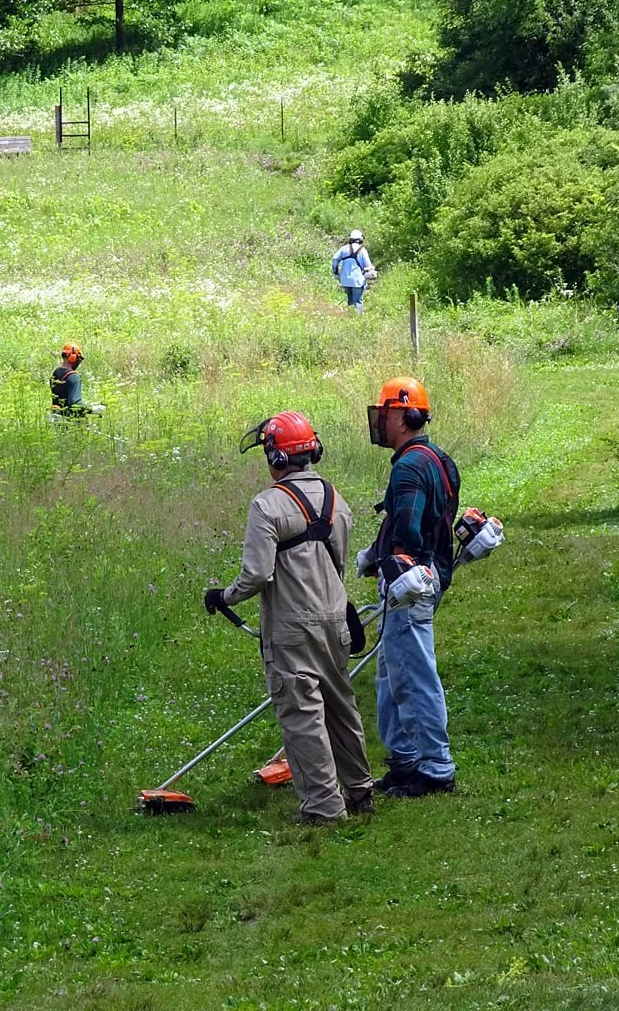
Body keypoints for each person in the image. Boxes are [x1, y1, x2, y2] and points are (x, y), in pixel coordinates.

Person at [203, 411, 375, 824]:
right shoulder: (336, 499)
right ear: (312, 451)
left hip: (291, 627)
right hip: (335, 618)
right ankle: (359, 790)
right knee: (340, 706)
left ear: (276, 458)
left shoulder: (267, 505)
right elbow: (336, 562)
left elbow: (258, 574)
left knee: (303, 716)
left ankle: (324, 808)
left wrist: (223, 596)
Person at [356, 377, 460, 798]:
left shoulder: (409, 467)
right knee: (390, 675)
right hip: (420, 579)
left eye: (383, 413)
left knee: (414, 676)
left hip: (409, 585)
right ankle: (405, 759)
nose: (380, 421)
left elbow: (409, 530)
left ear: (401, 415)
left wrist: (393, 558)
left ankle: (435, 767)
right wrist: (372, 553)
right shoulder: (438, 458)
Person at [49, 342, 105, 418]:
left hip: (57, 418)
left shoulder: (56, 373)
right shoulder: (73, 377)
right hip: (71, 421)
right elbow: (75, 404)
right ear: (73, 358)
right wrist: (93, 409)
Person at [331, 229, 377, 313]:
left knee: (350, 300)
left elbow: (335, 259)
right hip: (357, 281)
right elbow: (368, 266)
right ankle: (357, 319)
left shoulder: (343, 249)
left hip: (345, 280)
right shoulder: (362, 251)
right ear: (360, 239)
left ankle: (350, 317)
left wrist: (336, 272)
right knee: (358, 301)